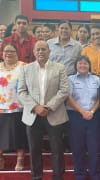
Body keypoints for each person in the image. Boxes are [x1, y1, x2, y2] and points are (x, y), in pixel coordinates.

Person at [18, 40, 69, 180]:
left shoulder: (60, 68)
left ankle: (58, 176)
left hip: (54, 113)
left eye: (43, 49)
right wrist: (36, 107)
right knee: (34, 150)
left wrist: (48, 106)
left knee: (57, 149)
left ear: (49, 51)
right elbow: (21, 92)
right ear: (34, 52)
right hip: (33, 115)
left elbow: (64, 90)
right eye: (38, 49)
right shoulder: (25, 69)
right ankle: (36, 177)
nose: (41, 52)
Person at [66, 55, 100, 180]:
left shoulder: (96, 79)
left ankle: (95, 175)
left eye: (85, 63)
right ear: (76, 65)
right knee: (77, 148)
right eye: (80, 63)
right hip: (75, 117)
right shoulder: (70, 79)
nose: (83, 65)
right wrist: (82, 112)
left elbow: (99, 98)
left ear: (89, 65)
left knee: (94, 148)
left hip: (93, 116)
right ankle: (79, 175)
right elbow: (68, 98)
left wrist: (91, 111)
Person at [0, 43, 26, 171]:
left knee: (19, 133)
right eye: (6, 51)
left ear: (17, 53)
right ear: (2, 53)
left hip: (19, 106)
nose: (8, 53)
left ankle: (20, 159)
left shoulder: (24, 67)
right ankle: (0, 158)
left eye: (12, 51)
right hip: (1, 107)